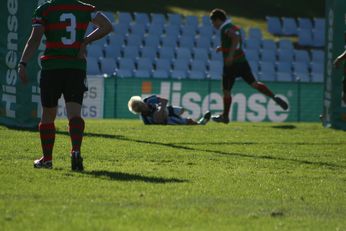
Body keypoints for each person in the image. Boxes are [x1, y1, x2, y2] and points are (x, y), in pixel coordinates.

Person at [18, 0, 113, 170]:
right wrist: (84, 42)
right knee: (74, 114)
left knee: (48, 114)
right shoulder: (85, 8)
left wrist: (23, 63)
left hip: (52, 68)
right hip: (75, 68)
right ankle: (75, 151)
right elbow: (107, 26)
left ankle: (47, 160)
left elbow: (35, 39)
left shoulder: (45, 9)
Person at [209, 9, 289, 124]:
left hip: (231, 65)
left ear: (218, 20)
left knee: (226, 91)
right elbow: (236, 40)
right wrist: (223, 47)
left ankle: (225, 116)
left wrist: (230, 55)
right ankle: (274, 97)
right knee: (254, 83)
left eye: (213, 22)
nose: (213, 25)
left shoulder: (225, 28)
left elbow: (235, 39)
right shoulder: (233, 26)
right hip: (242, 61)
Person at [128, 95, 211, 125]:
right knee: (187, 121)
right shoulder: (146, 118)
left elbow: (164, 100)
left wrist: (161, 109)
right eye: (141, 108)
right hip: (167, 120)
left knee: (182, 110)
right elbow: (159, 121)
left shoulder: (149, 100)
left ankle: (198, 122)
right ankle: (200, 124)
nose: (144, 107)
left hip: (167, 109)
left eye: (142, 104)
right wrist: (160, 113)